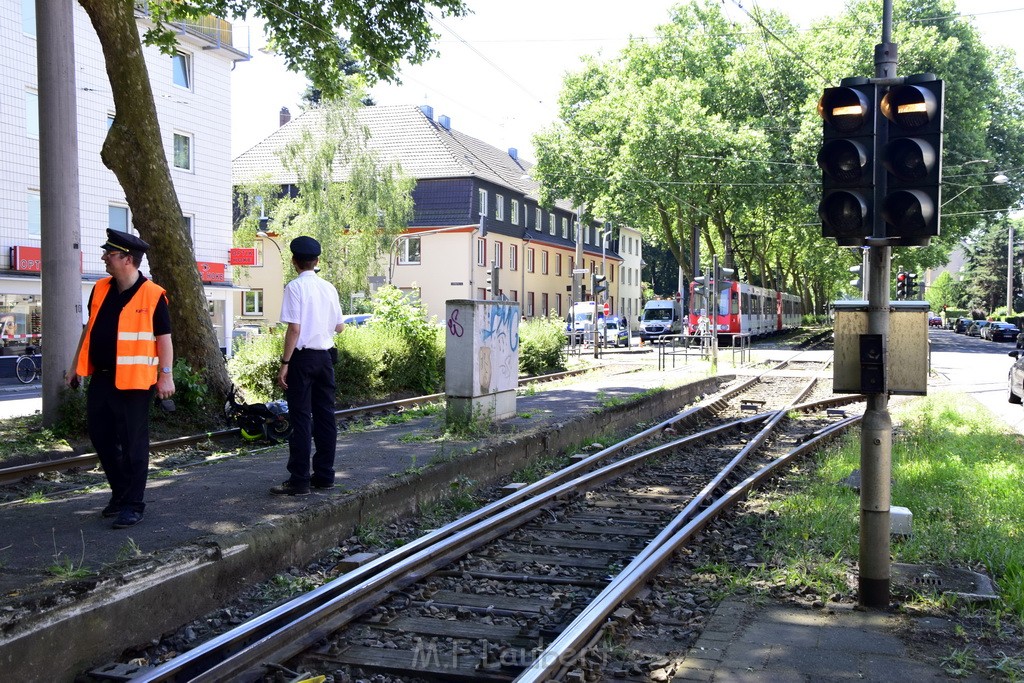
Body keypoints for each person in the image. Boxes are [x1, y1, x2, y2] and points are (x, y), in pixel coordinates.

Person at [65, 229, 175, 529]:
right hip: (101, 378)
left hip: (136, 383)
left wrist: (166, 376)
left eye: (109, 254)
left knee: (133, 444)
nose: (103, 258)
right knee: (101, 438)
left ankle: (133, 503)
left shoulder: (153, 295)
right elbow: (89, 328)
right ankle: (120, 492)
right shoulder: (100, 288)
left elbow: (164, 340)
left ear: (127, 259)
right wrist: (75, 365)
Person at [271, 236, 345, 496]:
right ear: (317, 261)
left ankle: (299, 480)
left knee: (301, 417)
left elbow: (294, 329)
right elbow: (339, 326)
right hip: (325, 358)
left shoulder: (294, 287)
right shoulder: (329, 288)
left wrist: (285, 363)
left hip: (302, 359)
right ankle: (325, 476)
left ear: (294, 261)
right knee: (326, 417)